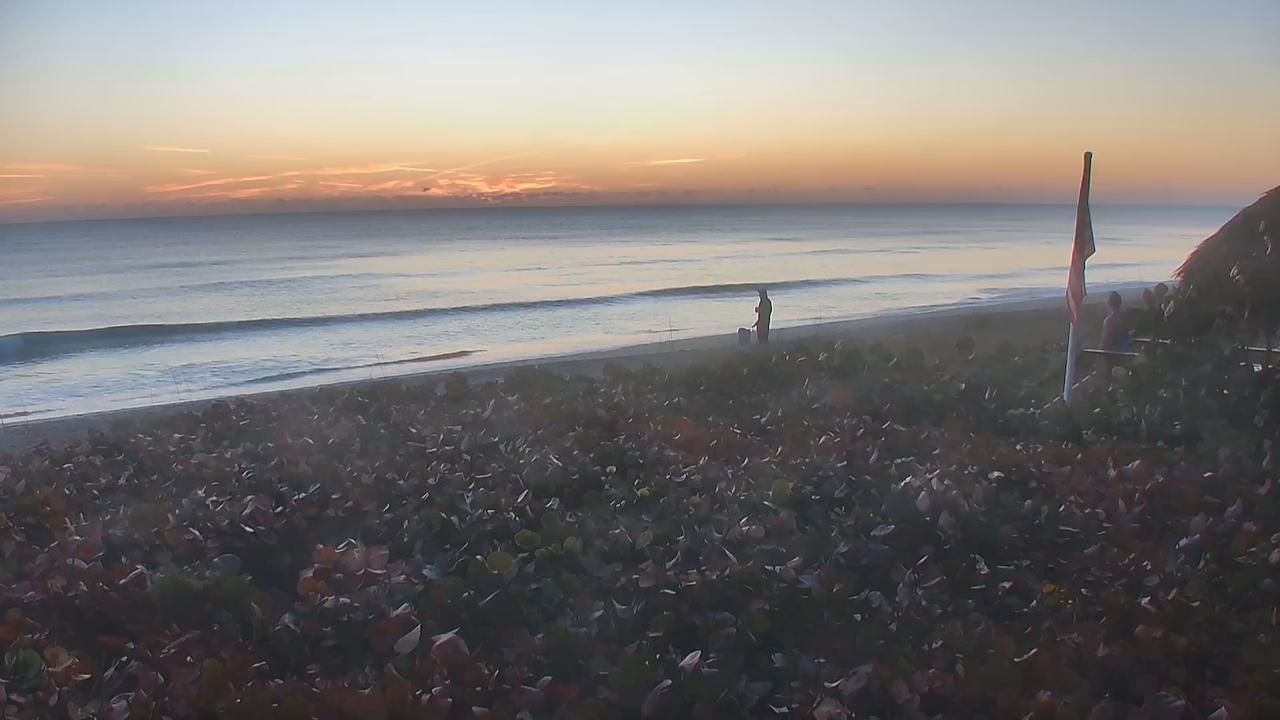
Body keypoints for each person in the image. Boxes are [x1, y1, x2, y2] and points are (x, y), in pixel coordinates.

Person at [1101, 291, 1131, 356]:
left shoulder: (1109, 321)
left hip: (1114, 355)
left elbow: (1106, 342)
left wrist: (1101, 356)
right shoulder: (1126, 318)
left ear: (1109, 304)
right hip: (1127, 353)